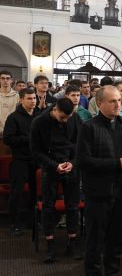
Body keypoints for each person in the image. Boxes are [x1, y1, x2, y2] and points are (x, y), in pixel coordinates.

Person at [76, 86, 122, 276]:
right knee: (95, 245)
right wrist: (117, 163)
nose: (118, 104)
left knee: (115, 242)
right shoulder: (89, 127)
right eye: (113, 101)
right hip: (98, 195)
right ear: (99, 103)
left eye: (120, 101)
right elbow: (83, 161)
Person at [31, 97, 82, 263]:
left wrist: (73, 163)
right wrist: (54, 165)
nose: (66, 120)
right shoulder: (39, 122)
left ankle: (72, 243)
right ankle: (50, 245)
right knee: (48, 207)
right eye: (62, 117)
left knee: (72, 206)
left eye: (68, 117)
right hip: (50, 167)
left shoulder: (75, 118)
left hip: (71, 167)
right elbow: (36, 151)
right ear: (55, 109)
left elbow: (80, 145)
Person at [4, 88, 38, 235]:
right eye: (29, 98)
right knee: (16, 193)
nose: (33, 101)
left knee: (35, 192)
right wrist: (29, 140)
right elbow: (8, 139)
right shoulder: (13, 117)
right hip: (20, 160)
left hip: (36, 160)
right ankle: (15, 224)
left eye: (34, 98)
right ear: (21, 100)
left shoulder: (39, 116)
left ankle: (33, 221)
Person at [0, 70, 19, 138]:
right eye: (2, 78)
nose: (5, 80)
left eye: (7, 78)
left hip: (12, 131)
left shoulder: (17, 96)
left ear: (11, 80)